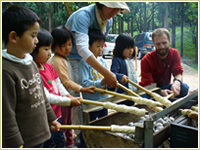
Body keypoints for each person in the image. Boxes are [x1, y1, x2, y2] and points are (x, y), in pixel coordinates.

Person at [2, 5, 60, 148]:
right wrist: (15, 142)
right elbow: (5, 114)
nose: (37, 41)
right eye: (33, 36)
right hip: (22, 142)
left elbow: (41, 95)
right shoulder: (5, 71)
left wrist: (51, 118)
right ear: (14, 37)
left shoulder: (30, 63)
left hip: (39, 134)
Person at [30, 28, 82, 148]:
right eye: (46, 49)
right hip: (45, 119)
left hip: (57, 115)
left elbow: (58, 84)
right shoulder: (32, 71)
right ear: (34, 49)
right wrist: (69, 101)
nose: (50, 53)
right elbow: (46, 97)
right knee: (49, 144)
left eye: (50, 48)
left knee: (59, 141)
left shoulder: (48, 66)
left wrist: (65, 95)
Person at [65, 2, 130, 89]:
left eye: (118, 9)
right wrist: (106, 73)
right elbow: (82, 49)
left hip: (92, 58)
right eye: (113, 7)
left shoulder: (109, 20)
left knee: (97, 83)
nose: (115, 12)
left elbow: (100, 43)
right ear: (101, 4)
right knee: (77, 89)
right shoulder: (83, 16)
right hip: (73, 57)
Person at [50, 25, 95, 148]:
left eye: (70, 44)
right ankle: (67, 143)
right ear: (54, 46)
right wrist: (82, 89)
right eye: (63, 46)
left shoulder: (64, 58)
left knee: (69, 121)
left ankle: (69, 141)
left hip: (68, 97)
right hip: (62, 99)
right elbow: (66, 81)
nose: (67, 48)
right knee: (65, 122)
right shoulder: (57, 61)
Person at [78, 28, 109, 148]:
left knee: (104, 124)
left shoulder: (102, 61)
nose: (101, 49)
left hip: (104, 102)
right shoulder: (84, 63)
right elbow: (84, 83)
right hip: (91, 104)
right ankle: (83, 144)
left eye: (102, 46)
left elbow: (108, 77)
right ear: (88, 46)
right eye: (98, 46)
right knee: (88, 127)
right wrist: (100, 83)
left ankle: (99, 142)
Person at [139, 28, 189, 98]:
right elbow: (148, 84)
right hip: (150, 89)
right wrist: (160, 92)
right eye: (158, 44)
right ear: (154, 44)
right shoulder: (146, 60)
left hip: (166, 87)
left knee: (184, 87)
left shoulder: (174, 53)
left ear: (169, 41)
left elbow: (178, 72)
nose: (162, 47)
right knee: (143, 97)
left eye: (164, 43)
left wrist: (177, 82)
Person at [110, 33, 138, 106]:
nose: (131, 50)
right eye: (128, 48)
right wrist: (120, 76)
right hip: (122, 95)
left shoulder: (129, 60)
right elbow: (112, 73)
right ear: (120, 48)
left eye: (132, 47)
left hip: (131, 93)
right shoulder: (117, 60)